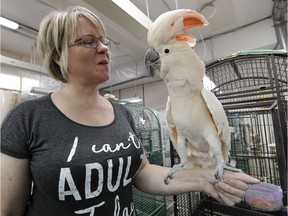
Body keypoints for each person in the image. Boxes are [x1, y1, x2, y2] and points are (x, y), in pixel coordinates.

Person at [1, 6, 259, 216]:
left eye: (103, 41)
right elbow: (8, 209)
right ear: (58, 56)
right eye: (89, 41)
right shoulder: (27, 118)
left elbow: (141, 172)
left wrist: (203, 178)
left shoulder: (122, 114)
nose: (104, 48)